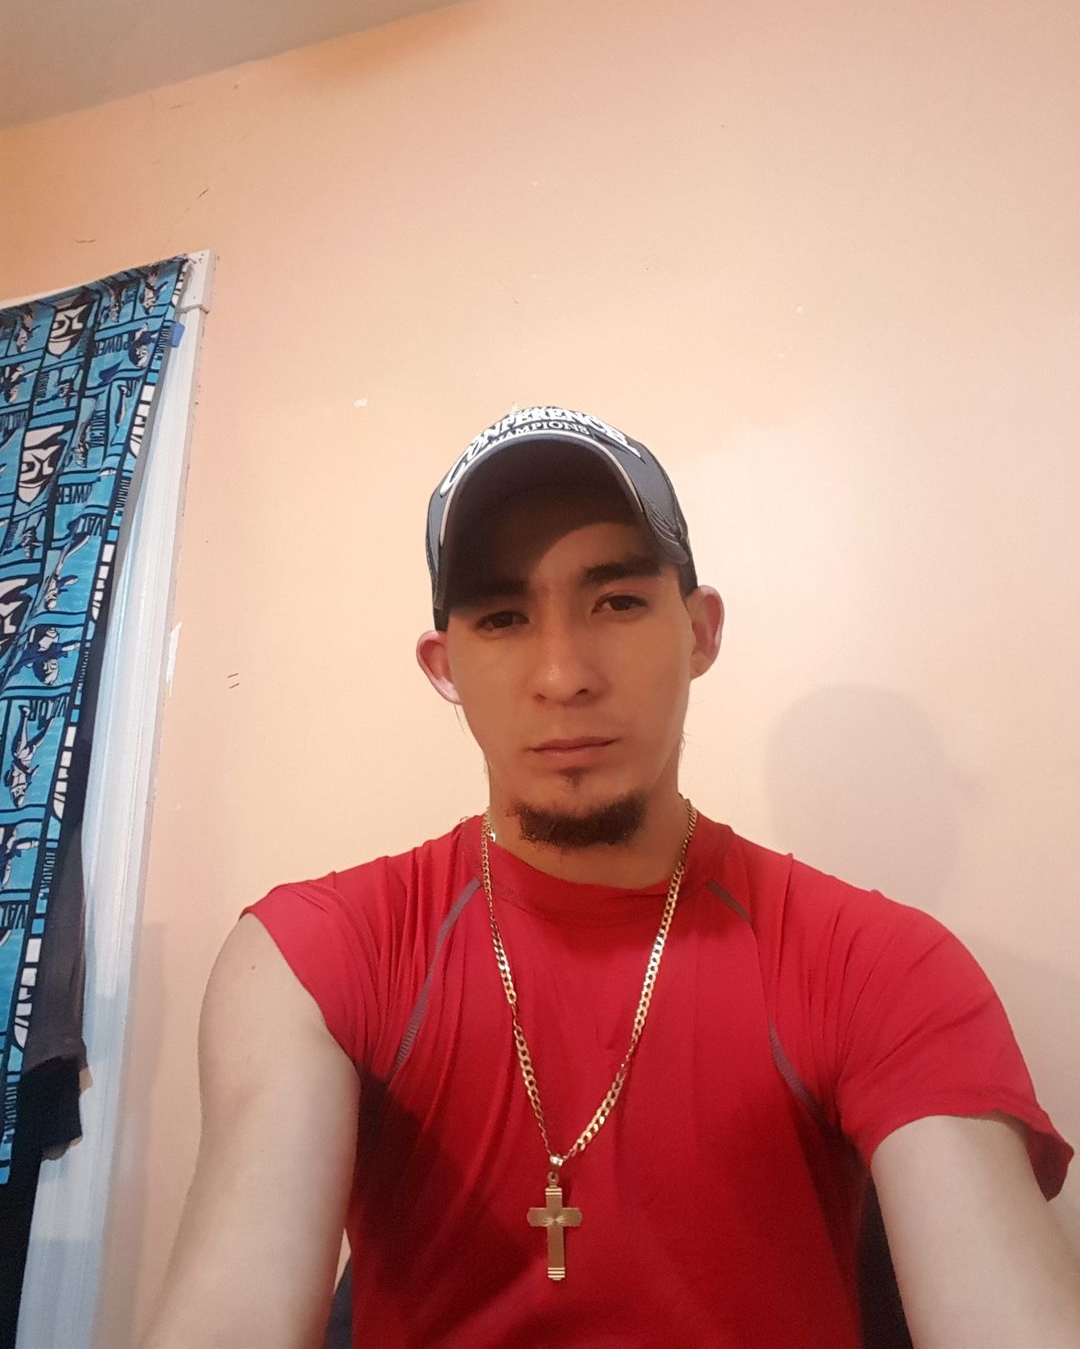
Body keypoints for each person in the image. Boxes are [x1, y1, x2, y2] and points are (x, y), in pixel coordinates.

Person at [143, 407, 1080, 1349]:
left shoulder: (880, 965)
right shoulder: (309, 959)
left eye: (619, 602)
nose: (563, 675)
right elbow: (235, 1307)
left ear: (700, 632)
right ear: (445, 666)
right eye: (502, 618)